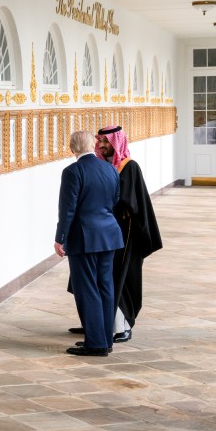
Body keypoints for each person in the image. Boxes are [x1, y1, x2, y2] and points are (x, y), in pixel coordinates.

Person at [54, 130, 123, 356]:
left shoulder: (73, 171)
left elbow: (67, 209)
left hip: (84, 238)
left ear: (72, 149)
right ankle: (106, 340)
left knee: (87, 289)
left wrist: (59, 238)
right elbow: (115, 200)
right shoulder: (110, 169)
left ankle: (95, 343)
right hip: (109, 234)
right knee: (106, 287)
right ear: (92, 146)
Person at [95, 125, 162, 343]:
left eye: (107, 142)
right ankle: (98, 321)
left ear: (117, 143)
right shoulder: (100, 164)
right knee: (99, 277)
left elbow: (129, 203)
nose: (103, 146)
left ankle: (122, 326)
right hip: (103, 232)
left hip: (125, 234)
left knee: (119, 278)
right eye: (101, 142)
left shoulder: (129, 167)